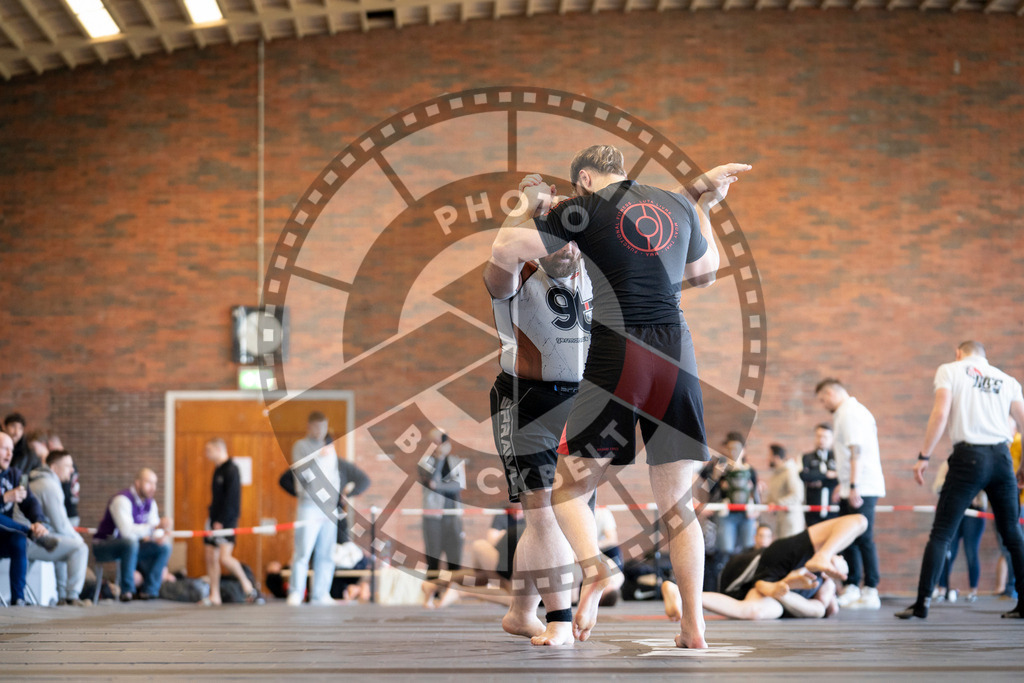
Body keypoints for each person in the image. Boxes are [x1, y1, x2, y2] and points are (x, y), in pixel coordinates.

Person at [491, 143, 751, 647]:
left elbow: (505, 253)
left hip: (621, 350)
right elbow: (706, 271)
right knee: (678, 507)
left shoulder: (584, 208)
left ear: (585, 179)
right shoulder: (676, 204)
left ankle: (599, 569)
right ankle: (693, 627)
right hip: (678, 354)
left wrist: (531, 204)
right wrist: (705, 203)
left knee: (567, 487)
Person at [897, 341, 1024, 620]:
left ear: (959, 353)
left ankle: (922, 604)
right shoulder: (1008, 380)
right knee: (1012, 532)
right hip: (1002, 459)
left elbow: (940, 413)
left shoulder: (950, 370)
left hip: (969, 458)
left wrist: (924, 457)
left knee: (942, 532)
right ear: (984, 356)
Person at [663, 514, 868, 621]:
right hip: (762, 569)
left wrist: (783, 592)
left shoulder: (822, 592)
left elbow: (822, 609)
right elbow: (857, 521)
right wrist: (827, 555)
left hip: (767, 590)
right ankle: (820, 558)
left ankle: (680, 595)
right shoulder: (817, 568)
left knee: (755, 612)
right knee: (859, 522)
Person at [815, 378, 885, 610]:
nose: (824, 404)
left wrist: (853, 486)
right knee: (848, 538)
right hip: (852, 486)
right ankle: (853, 586)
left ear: (832, 392)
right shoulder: (845, 413)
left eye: (824, 399)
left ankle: (870, 590)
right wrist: (843, 485)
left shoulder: (851, 413)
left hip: (862, 486)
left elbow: (858, 452)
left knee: (863, 537)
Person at [92, 468, 174, 601]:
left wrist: (161, 533)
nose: (153, 487)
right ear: (137, 483)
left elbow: (154, 529)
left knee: (164, 547)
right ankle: (127, 591)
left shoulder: (150, 503)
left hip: (131, 548)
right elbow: (127, 532)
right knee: (130, 542)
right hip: (105, 545)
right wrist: (155, 528)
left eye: (155, 483)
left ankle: (149, 590)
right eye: (149, 483)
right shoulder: (121, 499)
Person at [288, 411, 343, 606]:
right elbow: (303, 473)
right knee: (303, 551)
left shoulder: (330, 448)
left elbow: (335, 477)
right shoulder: (300, 446)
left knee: (326, 552)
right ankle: (296, 592)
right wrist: (320, 457)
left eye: (324, 427)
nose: (321, 431)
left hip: (328, 506)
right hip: (309, 505)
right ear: (309, 426)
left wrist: (336, 501)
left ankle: (321, 594)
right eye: (317, 427)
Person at [22, 449, 90, 605]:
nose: (72, 470)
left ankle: (63, 596)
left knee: (63, 545)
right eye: (68, 466)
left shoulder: (38, 480)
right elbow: (61, 525)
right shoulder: (49, 485)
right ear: (53, 468)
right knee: (79, 548)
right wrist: (79, 539)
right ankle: (71, 596)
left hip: (27, 538)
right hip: (30, 541)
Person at [1, 431, 59, 605]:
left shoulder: (18, 475)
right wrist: (4, 498)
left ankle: (18, 598)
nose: (10, 454)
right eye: (5, 449)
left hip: (5, 535)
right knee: (22, 532)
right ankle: (29, 532)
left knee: (18, 540)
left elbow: (30, 501)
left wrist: (39, 522)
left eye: (12, 449)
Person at [202, 438, 257, 605]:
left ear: (219, 449)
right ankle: (215, 594)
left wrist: (221, 521)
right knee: (210, 556)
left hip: (226, 521)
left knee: (225, 558)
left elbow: (232, 500)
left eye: (209, 450)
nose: (207, 454)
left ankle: (247, 586)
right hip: (213, 519)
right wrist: (212, 518)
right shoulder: (217, 470)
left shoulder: (231, 470)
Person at [930, 459, 986, 603]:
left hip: (974, 512)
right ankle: (942, 589)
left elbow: (986, 486)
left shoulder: (981, 462)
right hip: (955, 510)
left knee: (971, 551)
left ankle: (973, 591)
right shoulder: (948, 464)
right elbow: (937, 486)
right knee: (949, 551)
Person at [702, 432, 761, 556]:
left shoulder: (749, 470)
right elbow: (708, 490)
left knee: (748, 548)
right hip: (725, 514)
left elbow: (755, 492)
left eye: (737, 449)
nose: (733, 452)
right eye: (730, 449)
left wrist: (757, 511)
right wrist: (714, 477)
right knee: (725, 549)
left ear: (743, 450)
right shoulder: (719, 468)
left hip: (746, 514)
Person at [417, 429, 465, 577]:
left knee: (455, 560)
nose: (439, 443)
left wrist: (437, 486)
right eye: (436, 441)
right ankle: (432, 595)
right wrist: (439, 458)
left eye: (442, 440)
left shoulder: (456, 461)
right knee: (433, 559)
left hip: (453, 516)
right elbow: (431, 479)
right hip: (433, 519)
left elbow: (458, 485)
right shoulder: (425, 462)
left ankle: (452, 594)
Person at [765, 443, 806, 540]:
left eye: (769, 455)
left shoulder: (790, 471)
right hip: (780, 518)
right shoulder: (777, 473)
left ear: (776, 457)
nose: (767, 458)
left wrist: (777, 503)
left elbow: (797, 495)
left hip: (790, 519)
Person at [800, 423, 838, 528]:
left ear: (831, 438)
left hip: (834, 508)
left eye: (825, 437)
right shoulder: (807, 457)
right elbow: (805, 476)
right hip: (813, 507)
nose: (821, 440)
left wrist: (818, 478)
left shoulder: (837, 457)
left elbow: (841, 477)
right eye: (818, 436)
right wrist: (827, 474)